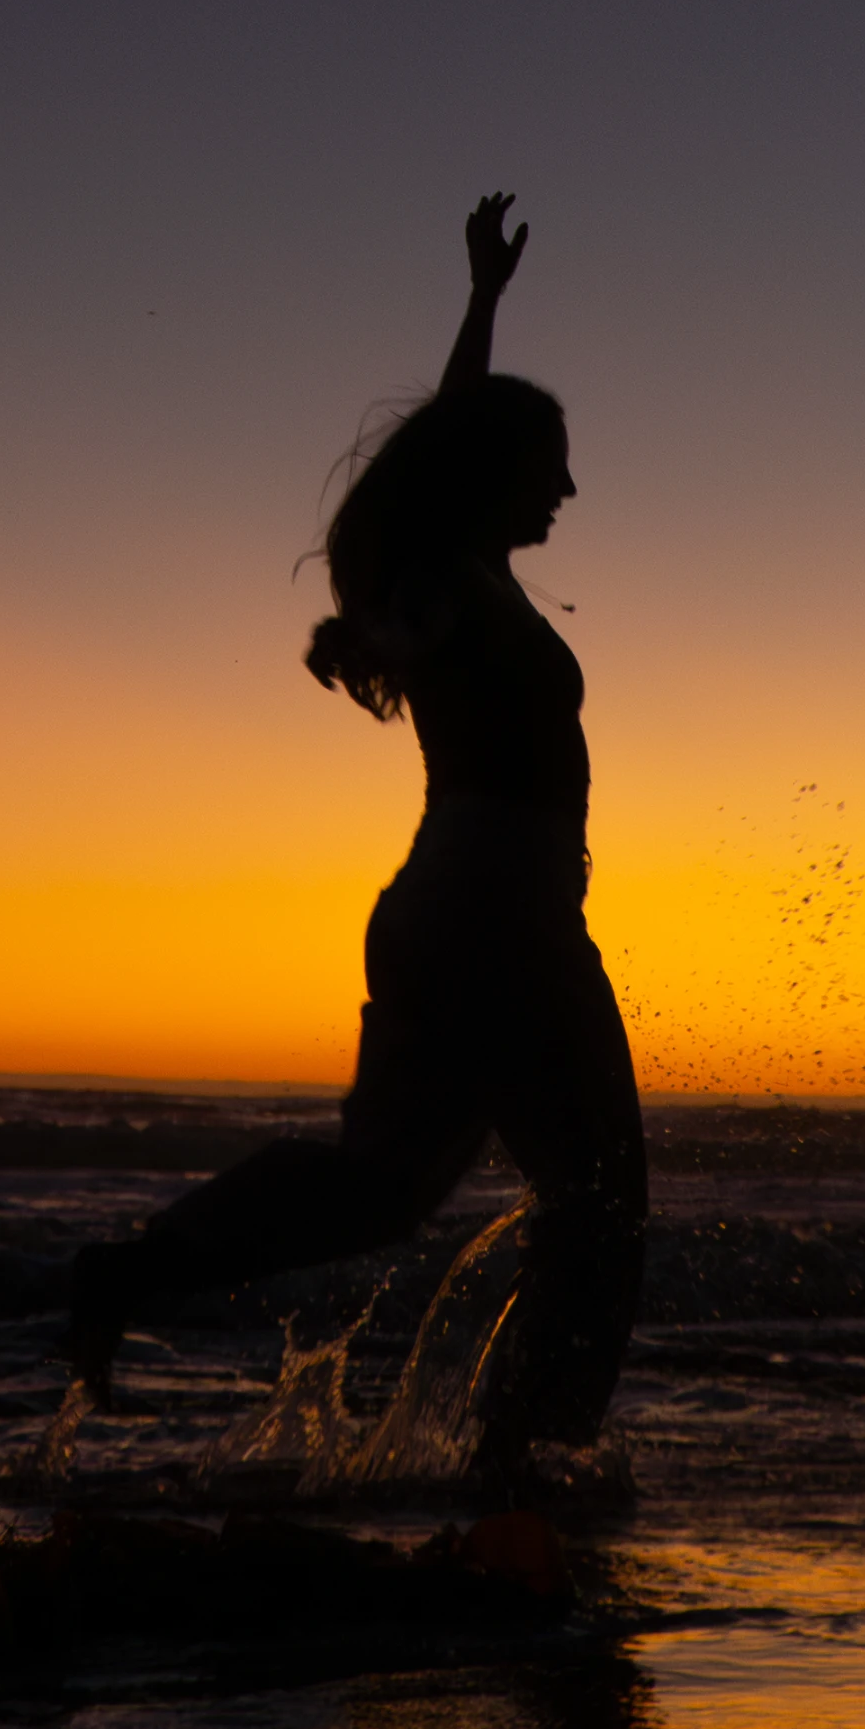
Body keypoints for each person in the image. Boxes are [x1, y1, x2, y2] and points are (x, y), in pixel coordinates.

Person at [67, 192, 649, 1479]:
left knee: (379, 1188)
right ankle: (528, 1470)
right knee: (603, 1206)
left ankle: (126, 1274)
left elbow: (449, 433)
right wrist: (368, 643)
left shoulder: (471, 563)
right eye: (550, 460)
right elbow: (412, 620)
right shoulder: (449, 585)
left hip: (447, 909)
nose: (568, 484)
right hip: (500, 913)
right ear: (498, 475)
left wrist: (485, 297)